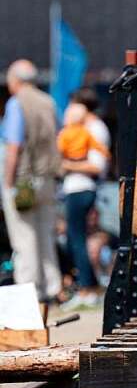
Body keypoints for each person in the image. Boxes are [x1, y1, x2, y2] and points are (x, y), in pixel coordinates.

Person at [1, 60, 62, 303]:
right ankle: (53, 288)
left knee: (24, 236)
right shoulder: (48, 102)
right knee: (46, 234)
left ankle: (29, 293)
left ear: (15, 81)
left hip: (24, 180)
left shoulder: (16, 104)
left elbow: (14, 146)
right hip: (47, 178)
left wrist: (8, 181)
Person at [56, 90, 110, 309]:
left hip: (82, 188)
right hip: (75, 189)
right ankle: (90, 284)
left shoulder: (95, 128)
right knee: (74, 238)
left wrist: (66, 165)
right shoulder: (79, 129)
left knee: (77, 239)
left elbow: (98, 165)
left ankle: (88, 288)